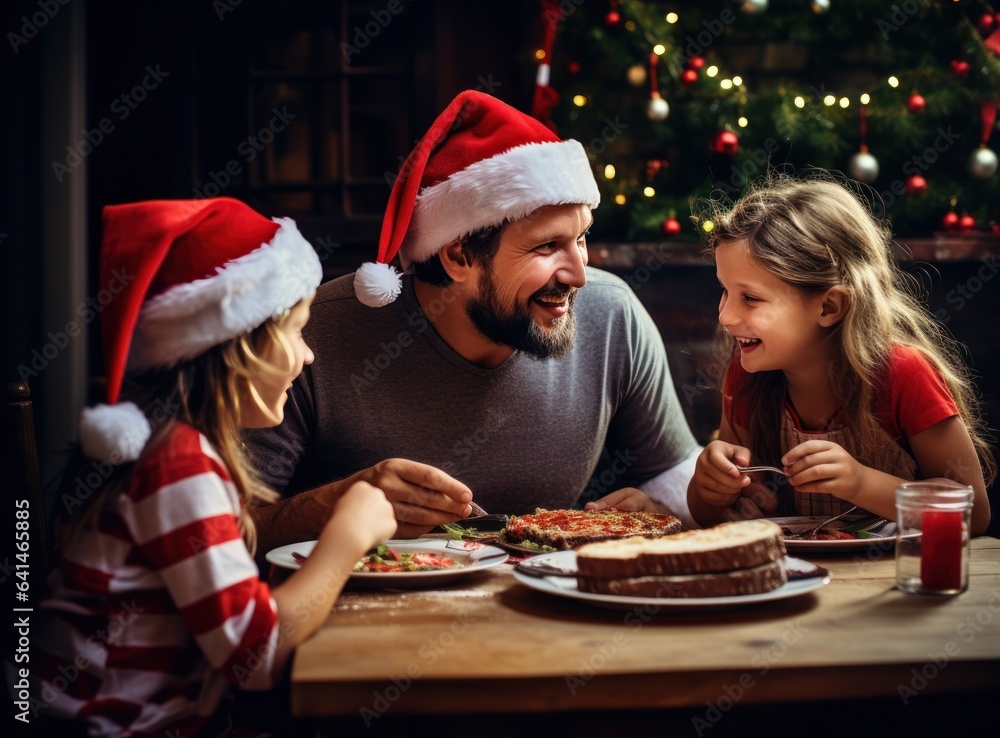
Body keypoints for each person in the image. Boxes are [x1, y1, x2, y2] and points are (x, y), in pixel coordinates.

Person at [245, 89, 702, 551]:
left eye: (581, 237)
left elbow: (674, 475)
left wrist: (667, 507)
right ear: (459, 256)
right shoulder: (310, 338)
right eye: (546, 247)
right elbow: (218, 537)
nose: (580, 275)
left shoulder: (612, 314)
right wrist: (332, 508)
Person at [34, 198, 397, 736]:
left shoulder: (174, 452)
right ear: (239, 348)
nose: (309, 356)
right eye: (297, 333)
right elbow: (256, 657)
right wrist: (348, 532)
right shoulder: (177, 465)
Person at [686, 173, 994, 535]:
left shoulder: (904, 374)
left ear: (829, 306)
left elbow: (972, 514)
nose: (725, 316)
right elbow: (707, 517)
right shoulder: (746, 377)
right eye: (725, 291)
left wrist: (861, 483)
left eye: (750, 298)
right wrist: (712, 490)